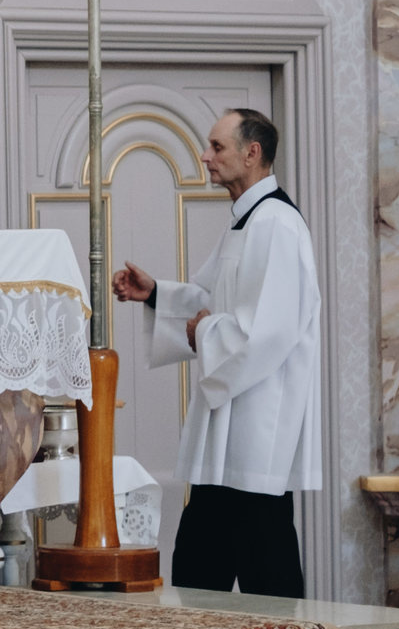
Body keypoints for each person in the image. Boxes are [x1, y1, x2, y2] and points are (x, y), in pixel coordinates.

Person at [111, 107, 319, 598]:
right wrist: (157, 292)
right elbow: (210, 299)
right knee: (201, 553)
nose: (205, 157)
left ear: (253, 153)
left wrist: (207, 332)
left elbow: (269, 331)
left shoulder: (277, 226)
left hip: (256, 422)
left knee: (265, 561)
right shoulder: (245, 221)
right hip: (227, 419)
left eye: (217, 147)